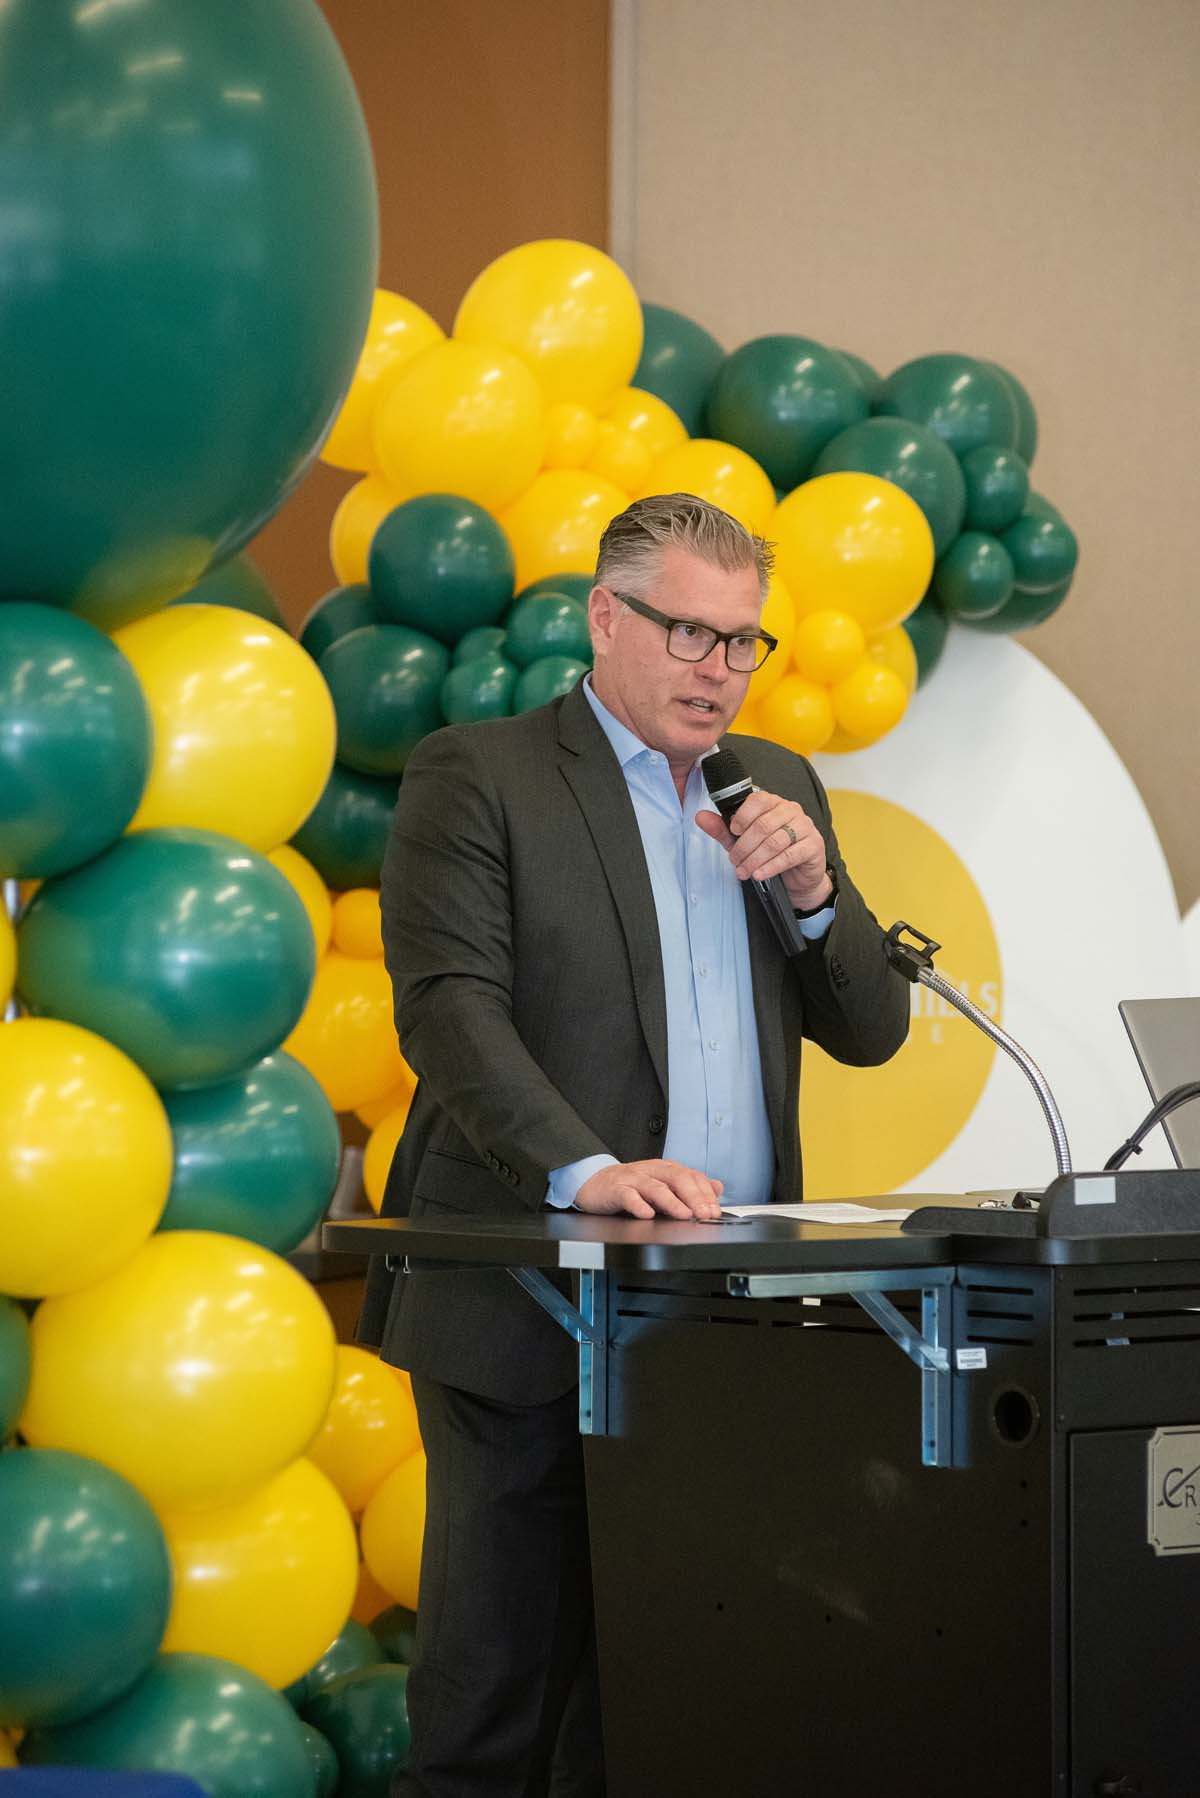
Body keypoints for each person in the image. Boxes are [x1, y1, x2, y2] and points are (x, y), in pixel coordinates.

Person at [359, 493, 910, 1797]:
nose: (718, 671)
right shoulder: (480, 771)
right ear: (606, 618)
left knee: (668, 1699)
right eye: (688, 634)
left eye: (743, 644)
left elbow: (873, 1028)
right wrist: (585, 1171)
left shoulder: (776, 787)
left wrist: (819, 892)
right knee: (495, 1706)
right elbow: (448, 1008)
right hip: (528, 1304)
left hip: (722, 1320)